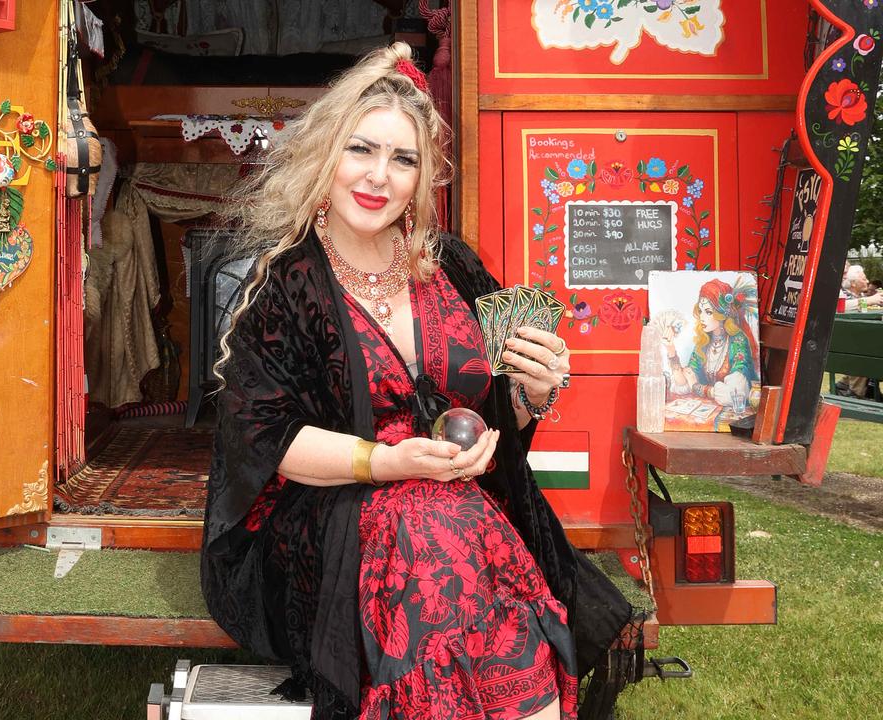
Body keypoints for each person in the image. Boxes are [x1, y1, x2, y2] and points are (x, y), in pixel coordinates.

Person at [202, 43, 636, 720]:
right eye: (361, 150)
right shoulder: (287, 284)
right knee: (426, 523)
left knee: (446, 526)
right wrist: (386, 462)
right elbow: (265, 439)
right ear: (326, 156)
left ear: (423, 174)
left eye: (403, 159)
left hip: (461, 508)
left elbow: (502, 413)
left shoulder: (453, 265)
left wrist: (533, 388)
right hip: (331, 514)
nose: (378, 176)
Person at [664, 276, 759, 411]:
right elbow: (685, 383)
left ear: (722, 315)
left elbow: (735, 394)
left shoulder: (738, 341)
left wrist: (698, 388)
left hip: (736, 414)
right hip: (708, 410)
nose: (702, 317)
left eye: (708, 312)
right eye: (701, 311)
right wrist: (671, 351)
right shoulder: (704, 341)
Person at [838, 264, 879, 398]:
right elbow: (842, 307)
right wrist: (869, 300)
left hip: (853, 345)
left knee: (870, 347)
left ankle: (845, 383)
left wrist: (872, 301)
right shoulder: (844, 295)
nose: (867, 281)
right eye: (864, 278)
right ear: (854, 283)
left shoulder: (858, 296)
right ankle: (857, 390)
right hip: (850, 345)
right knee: (868, 350)